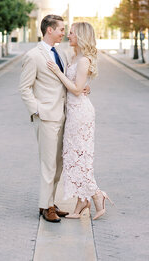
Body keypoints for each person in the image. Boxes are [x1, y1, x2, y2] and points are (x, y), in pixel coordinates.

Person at [47, 21, 113, 220]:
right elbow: (80, 86)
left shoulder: (84, 60)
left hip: (81, 114)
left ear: (82, 35)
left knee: (80, 157)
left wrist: (58, 73)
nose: (69, 35)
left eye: (72, 32)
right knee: (73, 158)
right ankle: (83, 200)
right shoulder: (75, 56)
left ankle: (95, 195)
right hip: (74, 112)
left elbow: (76, 89)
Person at [19, 14, 70, 223]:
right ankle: (46, 206)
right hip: (46, 117)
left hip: (63, 115)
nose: (63, 32)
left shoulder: (61, 53)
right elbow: (24, 88)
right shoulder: (33, 56)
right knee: (48, 164)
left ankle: (50, 201)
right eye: (61, 29)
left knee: (58, 164)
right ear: (50, 29)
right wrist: (37, 110)